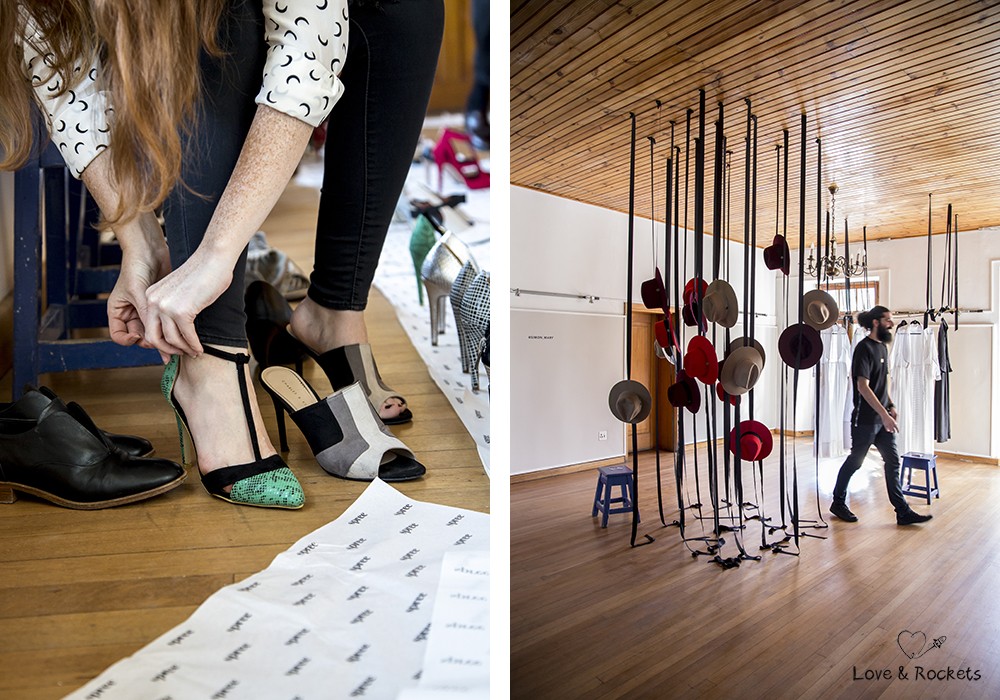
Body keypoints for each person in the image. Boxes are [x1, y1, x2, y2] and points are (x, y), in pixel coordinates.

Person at [2, 0, 443, 508]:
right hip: (141, 61)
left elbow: (308, 49)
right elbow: (63, 78)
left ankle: (334, 310)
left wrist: (217, 256)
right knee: (221, 22)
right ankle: (209, 362)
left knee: (406, 9)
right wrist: (138, 241)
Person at [830, 306, 932, 526]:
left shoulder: (883, 348)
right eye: (888, 320)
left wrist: (890, 405)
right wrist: (884, 414)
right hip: (865, 420)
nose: (892, 324)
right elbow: (863, 386)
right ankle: (837, 502)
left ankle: (902, 512)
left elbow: (882, 383)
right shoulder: (863, 348)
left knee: (893, 461)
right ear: (876, 322)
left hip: (881, 418)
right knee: (856, 461)